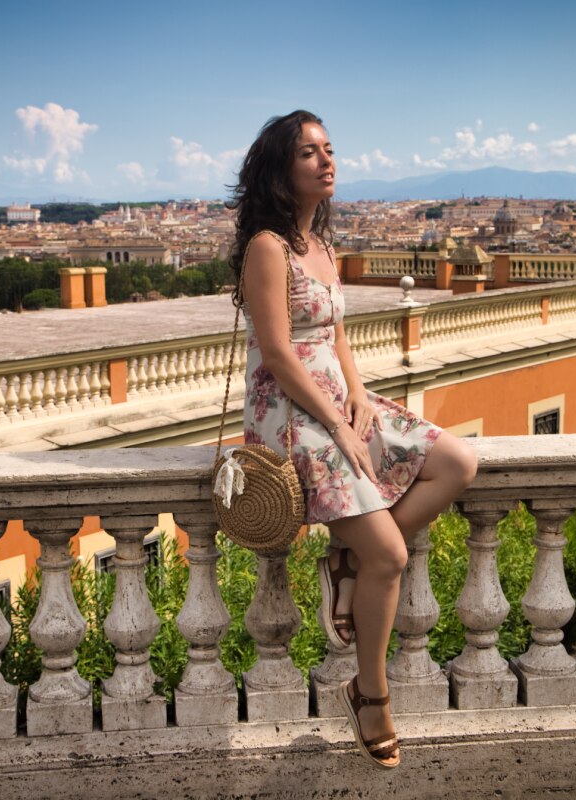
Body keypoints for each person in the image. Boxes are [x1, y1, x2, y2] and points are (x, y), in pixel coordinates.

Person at [227, 110, 477, 769]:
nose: (326, 161)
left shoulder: (322, 249)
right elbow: (279, 354)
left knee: (457, 461)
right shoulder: (267, 247)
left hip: (336, 401)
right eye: (309, 153)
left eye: (329, 150)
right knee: (390, 556)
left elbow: (336, 338)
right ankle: (371, 694)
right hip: (291, 414)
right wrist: (337, 423)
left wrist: (361, 398)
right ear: (282, 170)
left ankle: (346, 559)